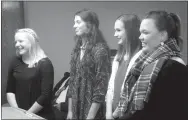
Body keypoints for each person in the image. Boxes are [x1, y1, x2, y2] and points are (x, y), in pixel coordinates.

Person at [113, 10, 187, 120]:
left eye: (145, 33)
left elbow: (166, 112)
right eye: (140, 32)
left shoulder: (174, 66)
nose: (140, 37)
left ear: (162, 35)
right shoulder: (145, 60)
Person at [66, 9, 111, 119]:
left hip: (92, 111)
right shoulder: (77, 50)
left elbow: (101, 86)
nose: (74, 26)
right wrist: (70, 112)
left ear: (90, 25)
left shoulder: (100, 50)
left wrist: (90, 116)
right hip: (76, 109)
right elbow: (72, 82)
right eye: (74, 22)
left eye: (78, 22)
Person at [6, 28, 54, 119]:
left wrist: (27, 115)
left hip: (39, 115)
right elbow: (10, 90)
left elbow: (45, 96)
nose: (17, 45)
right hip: (19, 114)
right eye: (15, 42)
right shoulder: (14, 61)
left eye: (20, 41)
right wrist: (17, 112)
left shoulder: (45, 63)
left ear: (31, 42)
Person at [106, 14, 141, 119]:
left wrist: (116, 114)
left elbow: (134, 94)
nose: (115, 34)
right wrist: (108, 114)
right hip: (112, 113)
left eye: (118, 30)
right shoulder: (118, 56)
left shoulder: (141, 58)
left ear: (130, 31)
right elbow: (110, 88)